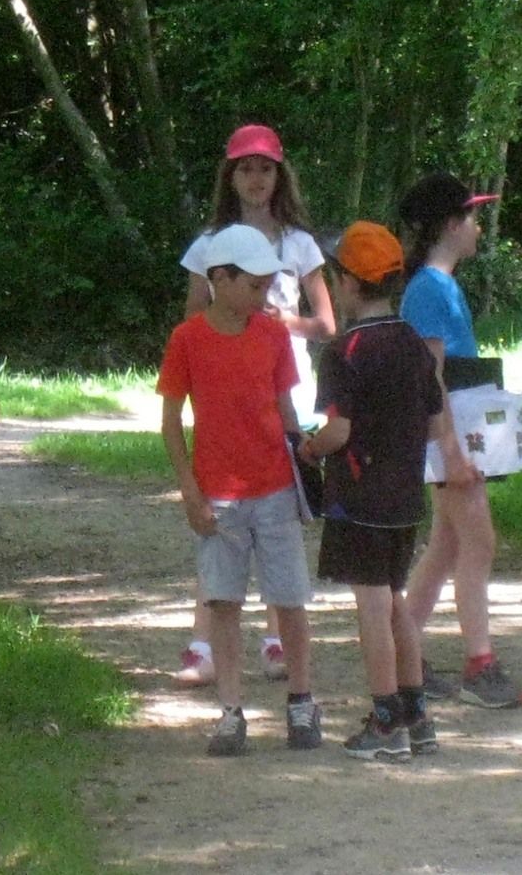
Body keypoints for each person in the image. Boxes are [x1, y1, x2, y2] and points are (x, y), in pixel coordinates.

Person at [175, 124, 336, 687]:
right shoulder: (208, 244)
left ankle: (275, 639)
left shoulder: (299, 244)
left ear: (280, 175)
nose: (255, 178)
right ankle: (204, 643)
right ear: (230, 176)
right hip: (225, 389)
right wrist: (230, 321)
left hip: (286, 389)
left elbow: (326, 323)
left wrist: (280, 322)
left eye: (265, 168)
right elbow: (192, 320)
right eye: (245, 168)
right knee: (221, 513)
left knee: (276, 518)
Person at [158, 222, 323, 755]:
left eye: (267, 284)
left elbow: (286, 409)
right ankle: (231, 710)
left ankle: (301, 700)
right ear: (220, 279)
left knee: (289, 599)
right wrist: (190, 492)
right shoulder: (187, 339)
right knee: (223, 602)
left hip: (275, 487)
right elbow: (170, 423)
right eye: (254, 285)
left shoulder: (273, 335)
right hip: (218, 496)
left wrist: (306, 462)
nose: (264, 296)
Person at [298, 221, 444, 761]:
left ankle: (385, 721)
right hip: (406, 497)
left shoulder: (346, 350)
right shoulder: (412, 343)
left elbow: (338, 431)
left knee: (373, 604)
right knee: (395, 599)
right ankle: (416, 714)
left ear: (347, 282)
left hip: (360, 498)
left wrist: (310, 449)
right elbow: (435, 422)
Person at [396, 172, 522, 709]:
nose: (478, 227)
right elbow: (430, 377)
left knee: (448, 545)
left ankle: (404, 656)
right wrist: (451, 450)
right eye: (472, 217)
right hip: (448, 438)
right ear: (450, 224)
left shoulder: (437, 285)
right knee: (479, 542)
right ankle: (479, 664)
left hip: (450, 436)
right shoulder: (430, 288)